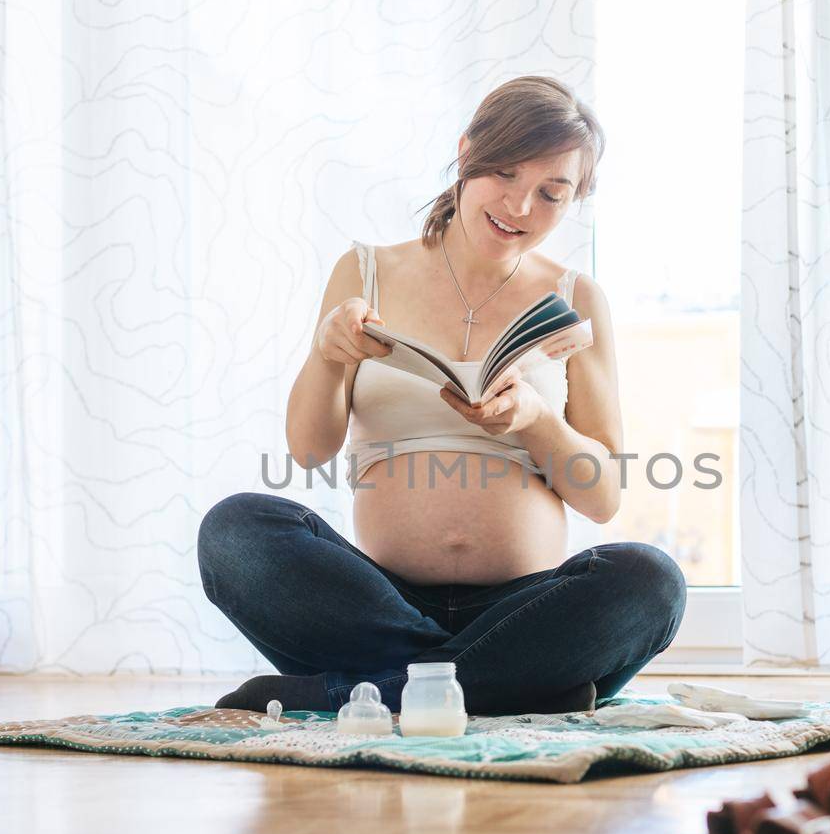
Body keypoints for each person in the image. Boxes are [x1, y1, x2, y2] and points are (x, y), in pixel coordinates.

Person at [198, 76, 687, 716]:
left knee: (651, 580)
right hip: (375, 602)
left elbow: (601, 498)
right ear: (466, 155)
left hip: (523, 607)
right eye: (506, 176)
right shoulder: (366, 271)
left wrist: (536, 420)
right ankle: (510, 687)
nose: (519, 206)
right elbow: (308, 450)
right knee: (235, 530)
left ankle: (359, 692)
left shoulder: (576, 299)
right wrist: (327, 352)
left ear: (574, 202)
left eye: (551, 194)